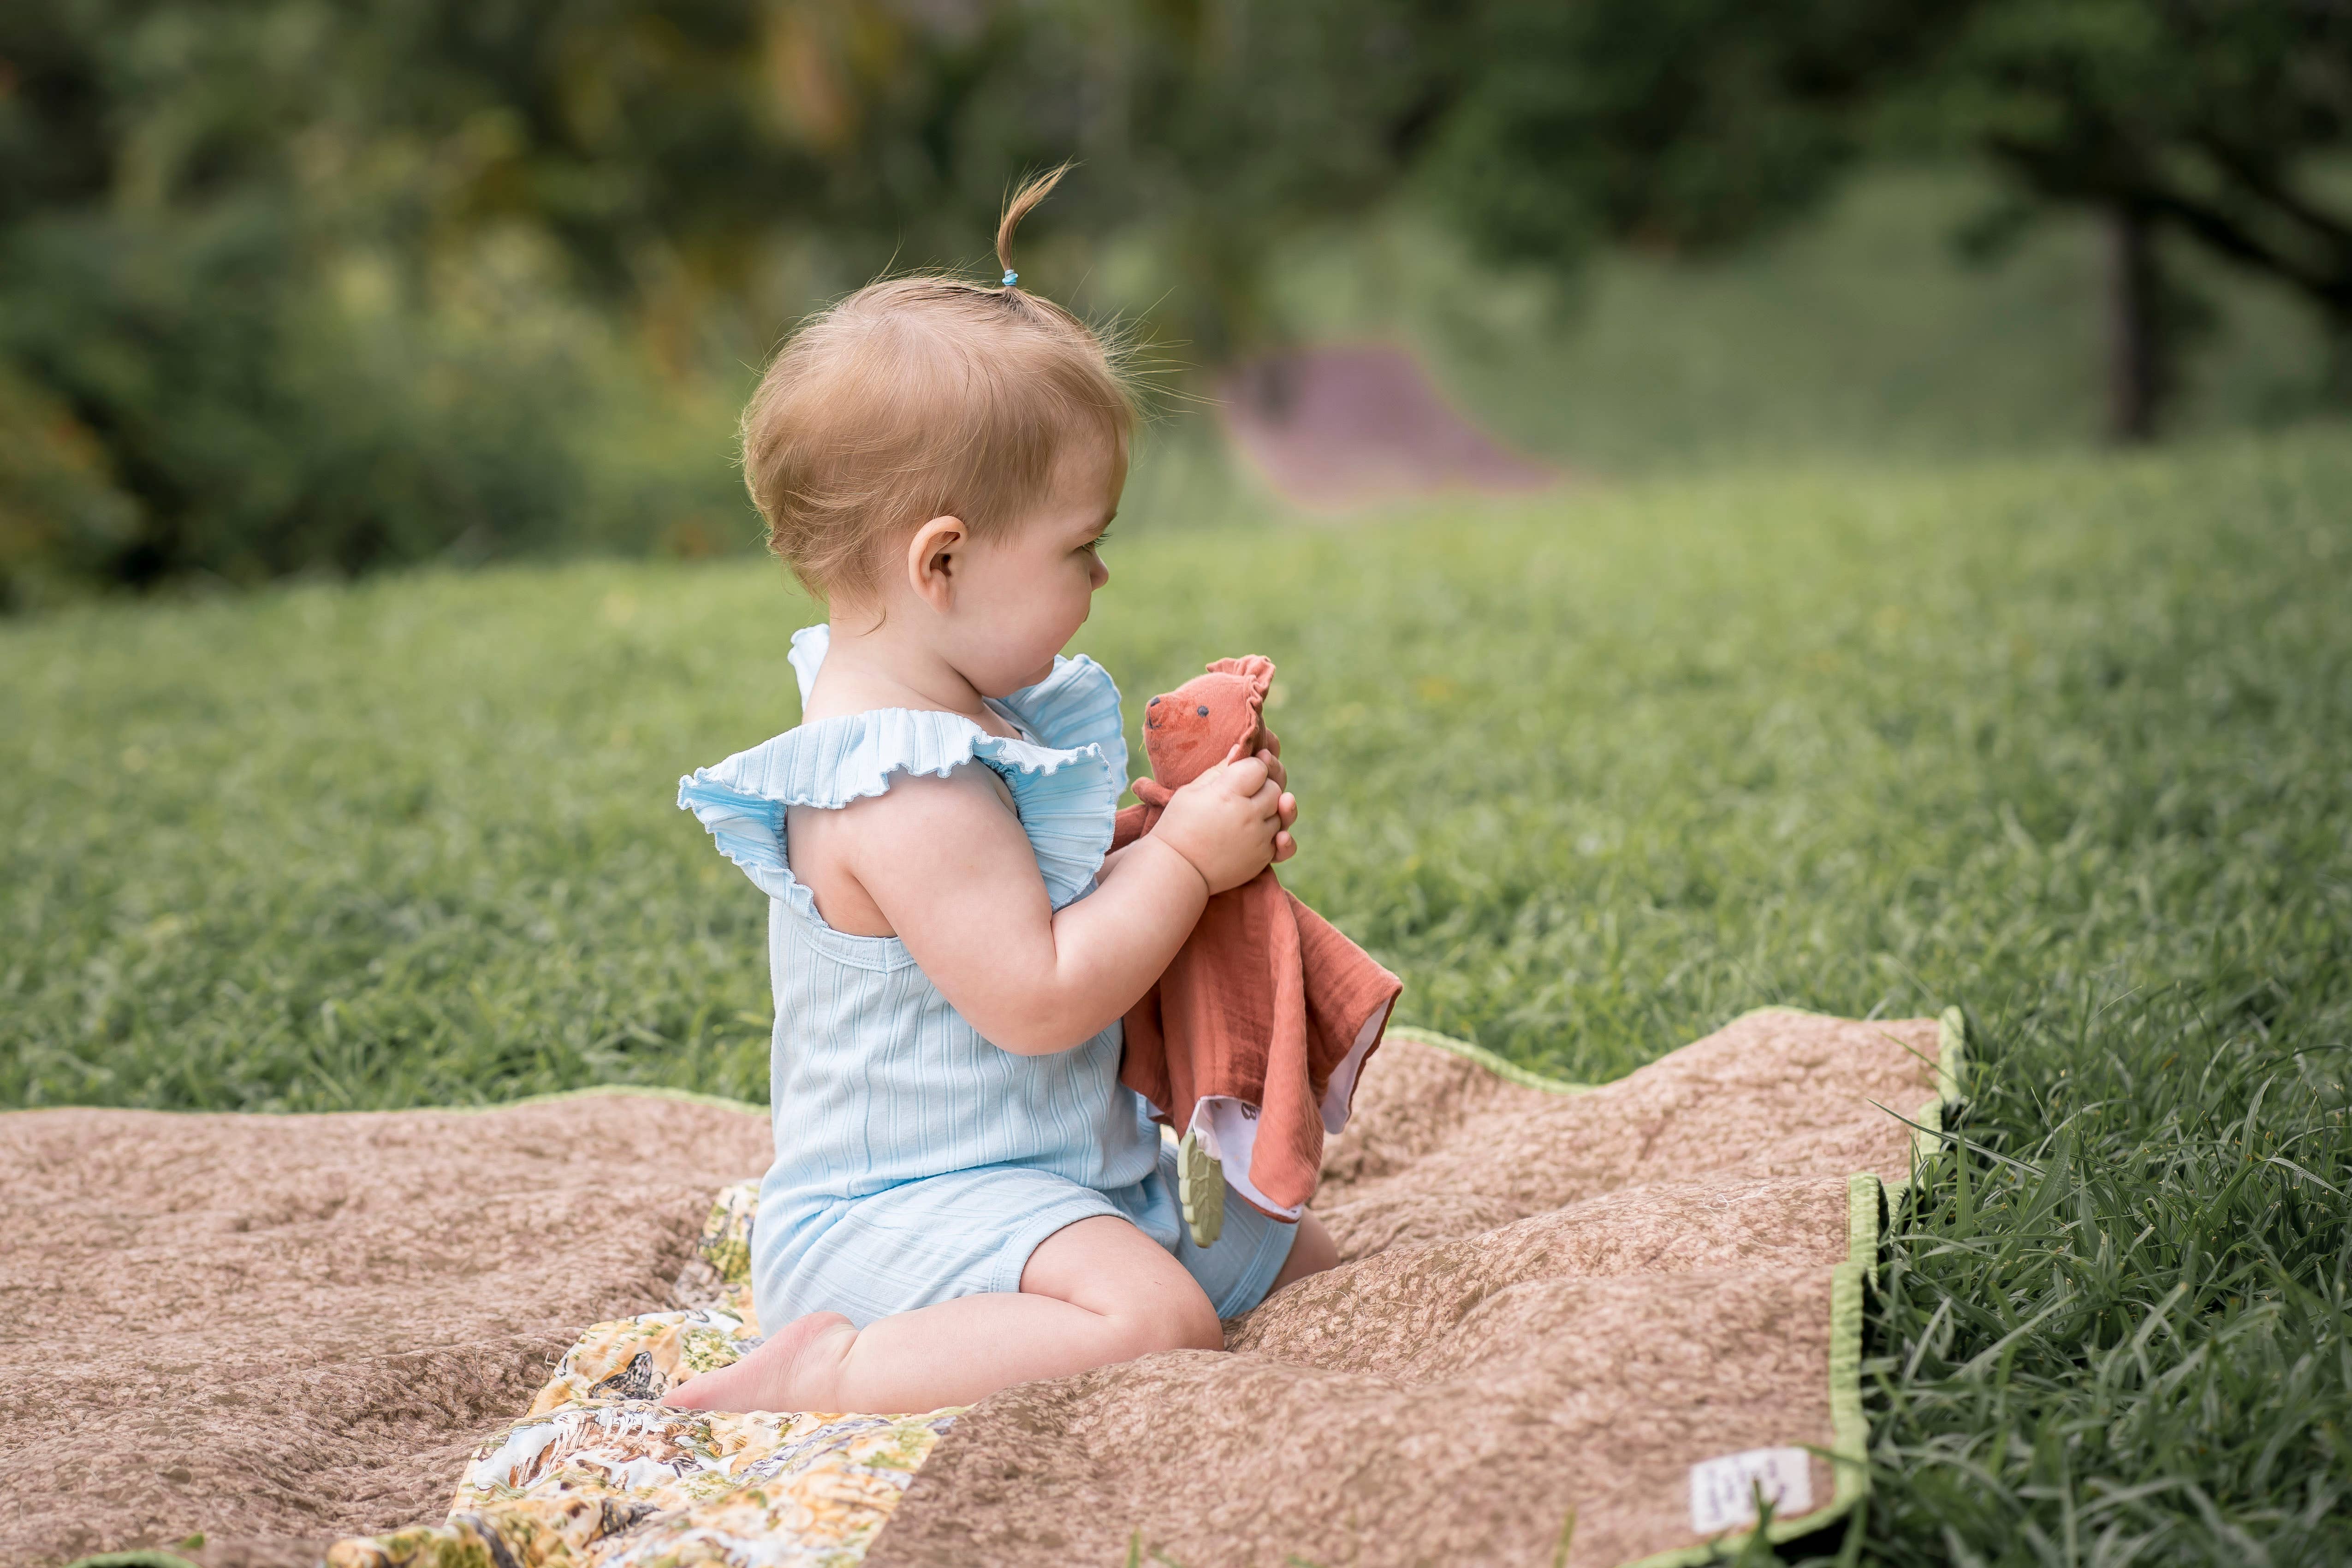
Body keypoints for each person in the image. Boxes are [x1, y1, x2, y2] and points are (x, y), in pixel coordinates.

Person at [664, 166, 1337, 1416]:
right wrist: (1183, 864)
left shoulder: (963, 715)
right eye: (1083, 546)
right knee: (1156, 1321)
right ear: (943, 561)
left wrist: (1167, 835)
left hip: (1054, 1175)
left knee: (1295, 1259)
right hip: (900, 1214)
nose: (1098, 580)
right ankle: (835, 1370)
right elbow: (1034, 998)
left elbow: (1041, 903)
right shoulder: (896, 787)